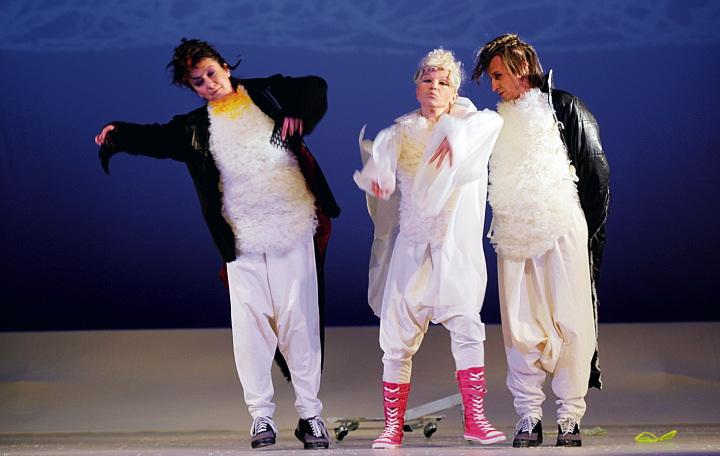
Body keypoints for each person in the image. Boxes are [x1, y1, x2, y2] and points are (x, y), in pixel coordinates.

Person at [93, 38, 340, 450]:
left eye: (211, 73)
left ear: (225, 67)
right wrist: (118, 133)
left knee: (300, 322)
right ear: (192, 88)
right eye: (198, 81)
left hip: (293, 228)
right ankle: (261, 417)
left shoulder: (268, 93)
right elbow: (157, 138)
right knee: (250, 328)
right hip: (241, 240)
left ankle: (311, 415)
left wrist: (298, 114)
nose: (208, 83)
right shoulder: (195, 127)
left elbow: (314, 87)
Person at [354, 49, 506, 448]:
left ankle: (475, 419)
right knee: (397, 335)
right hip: (414, 245)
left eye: (443, 82)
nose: (434, 88)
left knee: (467, 324)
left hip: (453, 245)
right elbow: (381, 161)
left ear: (454, 91)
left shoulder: (472, 123)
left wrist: (454, 135)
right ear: (416, 87)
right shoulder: (401, 131)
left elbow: (489, 125)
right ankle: (392, 426)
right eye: (427, 80)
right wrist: (380, 178)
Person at [472, 33, 610, 447]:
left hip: (562, 228)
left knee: (572, 320)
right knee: (519, 327)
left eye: (498, 76)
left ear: (521, 69)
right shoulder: (495, 122)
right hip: (514, 233)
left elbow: (595, 174)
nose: (494, 86)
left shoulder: (564, 108)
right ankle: (528, 415)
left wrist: (584, 232)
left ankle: (569, 416)